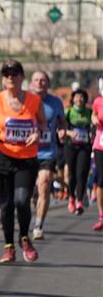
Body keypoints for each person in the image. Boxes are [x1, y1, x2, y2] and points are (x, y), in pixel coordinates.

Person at [0, 59, 45, 264]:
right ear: (3, 79)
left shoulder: (34, 100)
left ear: (22, 77)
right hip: (3, 155)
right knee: (6, 204)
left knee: (21, 200)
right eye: (6, 74)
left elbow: (43, 124)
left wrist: (37, 134)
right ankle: (8, 246)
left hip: (26, 158)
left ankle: (24, 238)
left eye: (14, 74)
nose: (10, 77)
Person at [30, 70, 66, 239]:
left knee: (44, 184)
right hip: (26, 152)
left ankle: (38, 225)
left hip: (47, 152)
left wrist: (62, 130)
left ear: (48, 84)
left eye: (43, 80)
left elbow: (62, 121)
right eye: (36, 80)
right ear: (31, 83)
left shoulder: (56, 102)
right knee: (30, 191)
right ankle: (33, 200)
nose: (39, 83)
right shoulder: (25, 100)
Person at [65, 88, 93, 215]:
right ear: (73, 99)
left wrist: (92, 133)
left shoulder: (89, 112)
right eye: (77, 97)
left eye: (82, 97)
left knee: (81, 173)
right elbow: (60, 127)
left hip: (84, 147)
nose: (79, 99)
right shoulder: (68, 112)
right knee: (72, 174)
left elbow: (95, 125)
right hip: (70, 146)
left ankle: (79, 200)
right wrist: (68, 132)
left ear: (85, 99)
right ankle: (71, 197)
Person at [91, 79, 103, 231]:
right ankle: (101, 215)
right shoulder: (98, 101)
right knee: (101, 179)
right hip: (100, 145)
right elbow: (94, 115)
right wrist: (94, 120)